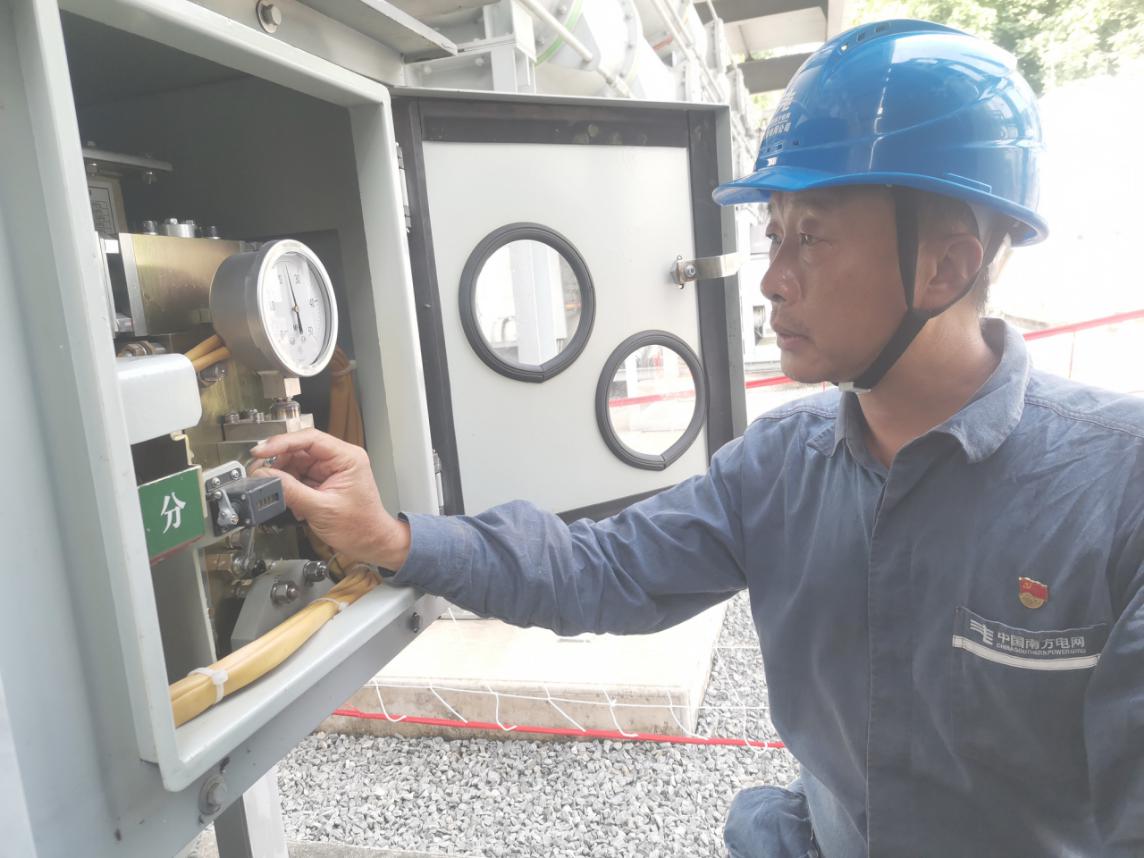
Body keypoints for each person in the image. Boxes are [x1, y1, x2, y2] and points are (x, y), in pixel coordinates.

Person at [252, 20, 1144, 857]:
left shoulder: (1115, 492)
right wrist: (392, 537)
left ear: (944, 266)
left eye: (812, 237)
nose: (772, 279)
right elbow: (601, 570)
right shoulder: (781, 466)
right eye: (774, 234)